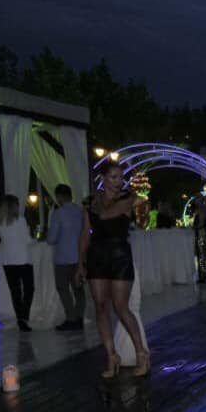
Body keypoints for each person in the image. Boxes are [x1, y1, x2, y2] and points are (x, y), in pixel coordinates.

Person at [78, 161, 149, 378]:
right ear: (103, 178)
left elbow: (107, 215)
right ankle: (111, 355)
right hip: (97, 255)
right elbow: (84, 234)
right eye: (113, 177)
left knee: (121, 306)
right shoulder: (90, 202)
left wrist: (136, 202)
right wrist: (80, 263)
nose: (119, 182)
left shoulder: (128, 198)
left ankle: (141, 353)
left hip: (119, 255)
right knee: (100, 306)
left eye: (120, 177)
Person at [46, 184, 85, 330]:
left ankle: (71, 318)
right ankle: (79, 317)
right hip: (79, 257)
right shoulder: (80, 211)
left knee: (63, 289)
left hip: (63, 258)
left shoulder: (58, 214)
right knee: (78, 289)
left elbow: (51, 239)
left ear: (59, 196)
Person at [0, 195, 34, 331]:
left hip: (8, 261)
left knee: (15, 292)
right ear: (14, 206)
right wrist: (36, 241)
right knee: (29, 289)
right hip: (23, 259)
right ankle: (24, 317)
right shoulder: (20, 221)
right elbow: (27, 240)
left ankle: (20, 318)